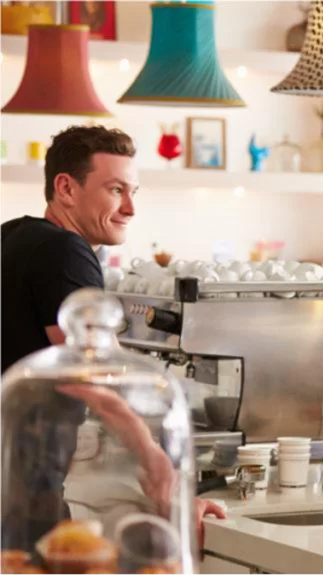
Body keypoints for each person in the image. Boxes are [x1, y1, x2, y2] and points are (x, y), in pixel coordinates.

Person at [0, 124, 224, 546]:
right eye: (116, 190)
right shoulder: (65, 250)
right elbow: (101, 378)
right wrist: (159, 467)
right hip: (24, 491)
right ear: (65, 188)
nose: (130, 208)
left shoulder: (13, 236)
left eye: (133, 192)